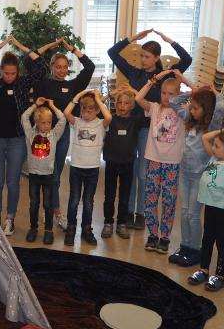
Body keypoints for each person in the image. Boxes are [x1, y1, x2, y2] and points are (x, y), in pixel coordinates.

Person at [107, 29, 193, 231]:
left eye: (147, 57)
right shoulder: (135, 73)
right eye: (141, 56)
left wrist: (169, 39)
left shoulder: (164, 75)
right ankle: (128, 211)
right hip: (129, 127)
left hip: (149, 130)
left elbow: (187, 58)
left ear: (156, 58)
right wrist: (133, 38)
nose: (143, 60)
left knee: (143, 172)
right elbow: (112, 53)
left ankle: (140, 213)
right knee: (130, 169)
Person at [0, 36, 46, 235]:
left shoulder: (22, 84)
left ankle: (10, 219)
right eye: (6, 73)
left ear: (17, 72)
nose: (10, 76)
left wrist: (21, 46)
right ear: (1, 71)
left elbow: (41, 68)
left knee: (13, 182)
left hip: (17, 140)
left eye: (13, 73)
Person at [33, 38, 95, 230]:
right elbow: (32, 60)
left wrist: (72, 49)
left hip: (63, 134)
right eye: (58, 67)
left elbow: (90, 66)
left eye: (64, 67)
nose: (61, 70)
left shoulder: (74, 85)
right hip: (44, 135)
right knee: (44, 172)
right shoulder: (44, 82)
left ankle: (56, 211)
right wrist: (51, 45)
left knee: (56, 174)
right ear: (51, 67)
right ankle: (48, 209)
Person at [167, 73, 224, 266]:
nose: (191, 111)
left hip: (200, 176)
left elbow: (220, 105)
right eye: (191, 108)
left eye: (196, 108)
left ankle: (195, 250)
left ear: (206, 110)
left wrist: (212, 92)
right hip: (185, 174)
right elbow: (174, 102)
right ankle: (185, 245)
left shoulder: (211, 124)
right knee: (184, 213)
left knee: (193, 215)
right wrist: (192, 94)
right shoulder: (189, 119)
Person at [187, 127, 224, 291]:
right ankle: (203, 270)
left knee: (221, 242)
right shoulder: (213, 158)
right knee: (207, 239)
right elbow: (205, 138)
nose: (213, 148)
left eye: (218, 146)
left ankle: (219, 275)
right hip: (211, 207)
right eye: (215, 145)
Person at [134, 73, 186, 254]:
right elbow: (138, 98)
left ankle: (165, 237)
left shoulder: (181, 112)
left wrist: (183, 82)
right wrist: (153, 81)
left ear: (179, 95)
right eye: (164, 93)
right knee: (150, 199)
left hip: (172, 163)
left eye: (172, 94)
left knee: (169, 201)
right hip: (154, 160)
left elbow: (195, 95)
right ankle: (153, 234)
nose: (167, 97)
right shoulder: (154, 108)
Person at [63, 90, 112, 245]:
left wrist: (98, 99)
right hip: (76, 167)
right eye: (83, 110)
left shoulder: (100, 124)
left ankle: (86, 229)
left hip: (92, 169)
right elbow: (66, 112)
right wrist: (79, 95)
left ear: (97, 110)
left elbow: (109, 117)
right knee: (74, 199)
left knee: (88, 201)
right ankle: (71, 228)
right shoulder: (77, 122)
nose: (85, 114)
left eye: (90, 111)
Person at [20, 97, 67, 245]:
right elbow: (24, 117)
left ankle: (48, 231)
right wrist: (35, 105)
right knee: (34, 204)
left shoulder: (54, 135)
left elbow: (63, 119)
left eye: (49, 123)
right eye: (43, 122)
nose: (47, 126)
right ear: (37, 122)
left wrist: (52, 106)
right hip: (34, 175)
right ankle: (33, 228)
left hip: (48, 176)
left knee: (48, 204)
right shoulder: (30, 134)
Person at [101, 87, 143, 239]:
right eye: (120, 103)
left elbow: (142, 102)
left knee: (124, 196)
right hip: (112, 162)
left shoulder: (136, 121)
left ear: (131, 105)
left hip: (128, 163)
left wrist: (133, 91)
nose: (122, 106)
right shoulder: (110, 119)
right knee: (109, 195)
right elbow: (99, 105)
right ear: (116, 104)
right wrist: (110, 94)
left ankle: (122, 224)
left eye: (126, 103)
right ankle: (108, 223)